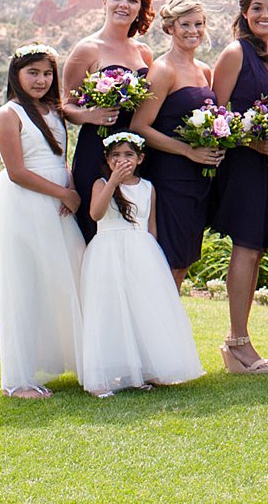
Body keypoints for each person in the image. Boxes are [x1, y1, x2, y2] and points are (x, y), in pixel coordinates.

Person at [205, 0, 268, 374]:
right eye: (257, 7)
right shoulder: (233, 54)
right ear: (244, 13)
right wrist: (255, 143)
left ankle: (240, 340)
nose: (265, 15)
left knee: (257, 250)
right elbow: (215, 118)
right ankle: (237, 342)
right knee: (246, 247)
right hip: (243, 165)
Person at [76, 133, 204, 397]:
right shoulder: (101, 184)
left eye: (128, 155)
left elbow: (151, 227)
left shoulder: (148, 188)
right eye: (116, 156)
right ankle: (104, 374)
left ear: (140, 158)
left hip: (140, 253)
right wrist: (113, 182)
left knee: (139, 310)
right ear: (108, 160)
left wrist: (152, 260)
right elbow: (96, 214)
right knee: (110, 310)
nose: (122, 160)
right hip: (108, 252)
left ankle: (139, 369)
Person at [0, 44, 84, 398]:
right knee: (26, 283)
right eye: (33, 73)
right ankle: (17, 379)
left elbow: (60, 158)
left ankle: (78, 358)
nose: (41, 80)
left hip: (58, 200)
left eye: (47, 73)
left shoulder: (54, 111)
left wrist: (69, 185)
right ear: (16, 74)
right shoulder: (9, 114)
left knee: (68, 275)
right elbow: (17, 172)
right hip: (25, 202)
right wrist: (63, 194)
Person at [129, 0, 224, 283]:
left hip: (199, 177)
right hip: (170, 177)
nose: (193, 31)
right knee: (167, 256)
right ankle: (157, 325)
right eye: (185, 24)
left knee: (185, 257)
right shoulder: (163, 70)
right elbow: (139, 126)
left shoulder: (204, 70)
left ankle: (168, 323)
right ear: (170, 27)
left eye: (198, 24)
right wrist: (187, 151)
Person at [60, 0, 156, 243]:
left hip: (134, 153)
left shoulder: (144, 52)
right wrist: (91, 115)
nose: (124, 5)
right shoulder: (87, 49)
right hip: (97, 151)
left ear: (140, 8)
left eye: (132, 0)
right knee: (95, 229)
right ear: (104, 2)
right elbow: (65, 105)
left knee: (132, 228)